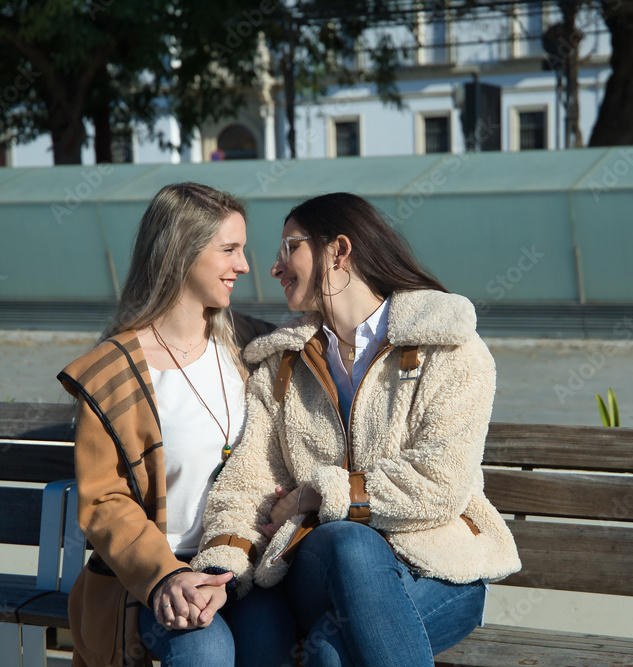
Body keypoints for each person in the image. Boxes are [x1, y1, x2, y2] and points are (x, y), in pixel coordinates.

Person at [191, 192, 521, 666]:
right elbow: (248, 483)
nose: (275, 267)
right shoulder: (282, 366)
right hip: (321, 570)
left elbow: (440, 484)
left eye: (290, 248)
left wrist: (315, 495)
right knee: (347, 542)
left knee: (330, 652)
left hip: (437, 572)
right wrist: (223, 563)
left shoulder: (448, 350)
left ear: (339, 251)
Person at [57, 182, 284, 666]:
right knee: (205, 649)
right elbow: (104, 503)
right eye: (229, 250)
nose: (244, 266)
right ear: (181, 254)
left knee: (272, 643)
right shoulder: (111, 373)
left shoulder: (256, 346)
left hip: (246, 563)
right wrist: (167, 577)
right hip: (151, 578)